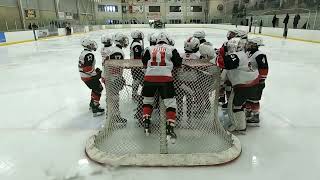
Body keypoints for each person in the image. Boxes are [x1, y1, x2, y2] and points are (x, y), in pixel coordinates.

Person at [141, 32, 182, 143]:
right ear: (167, 41)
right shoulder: (171, 48)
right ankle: (170, 128)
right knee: (170, 103)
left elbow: (144, 62)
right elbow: (178, 63)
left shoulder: (149, 48)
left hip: (149, 78)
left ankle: (146, 121)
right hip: (165, 79)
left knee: (148, 101)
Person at [216, 37, 260, 132]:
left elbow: (226, 63)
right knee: (236, 104)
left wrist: (220, 55)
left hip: (245, 85)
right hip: (251, 84)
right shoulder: (243, 54)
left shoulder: (238, 55)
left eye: (228, 47)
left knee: (235, 106)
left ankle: (240, 127)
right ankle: (239, 123)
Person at [105, 33, 129, 124]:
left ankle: (110, 115)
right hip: (112, 78)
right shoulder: (118, 51)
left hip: (108, 77)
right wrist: (118, 78)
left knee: (111, 97)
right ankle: (115, 117)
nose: (125, 42)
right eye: (123, 40)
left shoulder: (113, 49)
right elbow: (115, 67)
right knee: (114, 98)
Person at [176, 37, 200, 125]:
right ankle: (189, 117)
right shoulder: (197, 56)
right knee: (189, 100)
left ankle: (179, 115)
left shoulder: (180, 55)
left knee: (179, 99)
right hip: (192, 81)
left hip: (180, 81)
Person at [244, 37, 268, 126]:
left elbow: (264, 68)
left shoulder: (260, 55)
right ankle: (248, 112)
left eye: (251, 44)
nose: (248, 45)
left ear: (256, 45)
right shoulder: (248, 53)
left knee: (254, 99)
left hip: (257, 81)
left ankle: (255, 116)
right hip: (249, 80)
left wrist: (261, 80)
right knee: (247, 97)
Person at [78, 38, 104, 117]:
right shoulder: (89, 54)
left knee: (95, 88)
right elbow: (87, 68)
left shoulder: (84, 53)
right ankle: (95, 108)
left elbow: (85, 67)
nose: (93, 46)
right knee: (99, 89)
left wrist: (95, 71)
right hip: (88, 77)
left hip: (84, 76)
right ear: (87, 46)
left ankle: (92, 103)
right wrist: (96, 74)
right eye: (91, 45)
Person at [130, 30, 145, 121]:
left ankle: (134, 94)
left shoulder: (135, 43)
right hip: (137, 66)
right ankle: (135, 94)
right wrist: (140, 66)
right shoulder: (137, 45)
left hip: (135, 65)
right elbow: (137, 56)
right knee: (138, 80)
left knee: (137, 80)